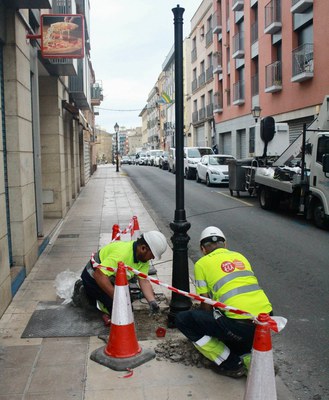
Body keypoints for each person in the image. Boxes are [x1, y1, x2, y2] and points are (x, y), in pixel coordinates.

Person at [175, 226, 272, 378]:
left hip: (239, 325)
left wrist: (202, 317)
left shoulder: (202, 264)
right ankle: (247, 355)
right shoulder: (240, 257)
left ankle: (231, 364)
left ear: (203, 249)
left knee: (183, 320)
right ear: (225, 244)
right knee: (227, 319)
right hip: (266, 320)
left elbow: (206, 305)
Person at [73, 231, 167, 318]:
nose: (152, 258)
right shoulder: (122, 254)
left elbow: (144, 281)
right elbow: (99, 275)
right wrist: (117, 298)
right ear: (143, 248)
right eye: (152, 255)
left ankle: (93, 295)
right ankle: (84, 292)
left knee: (127, 305)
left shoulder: (142, 260)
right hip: (92, 278)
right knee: (117, 311)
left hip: (109, 278)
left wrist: (152, 302)